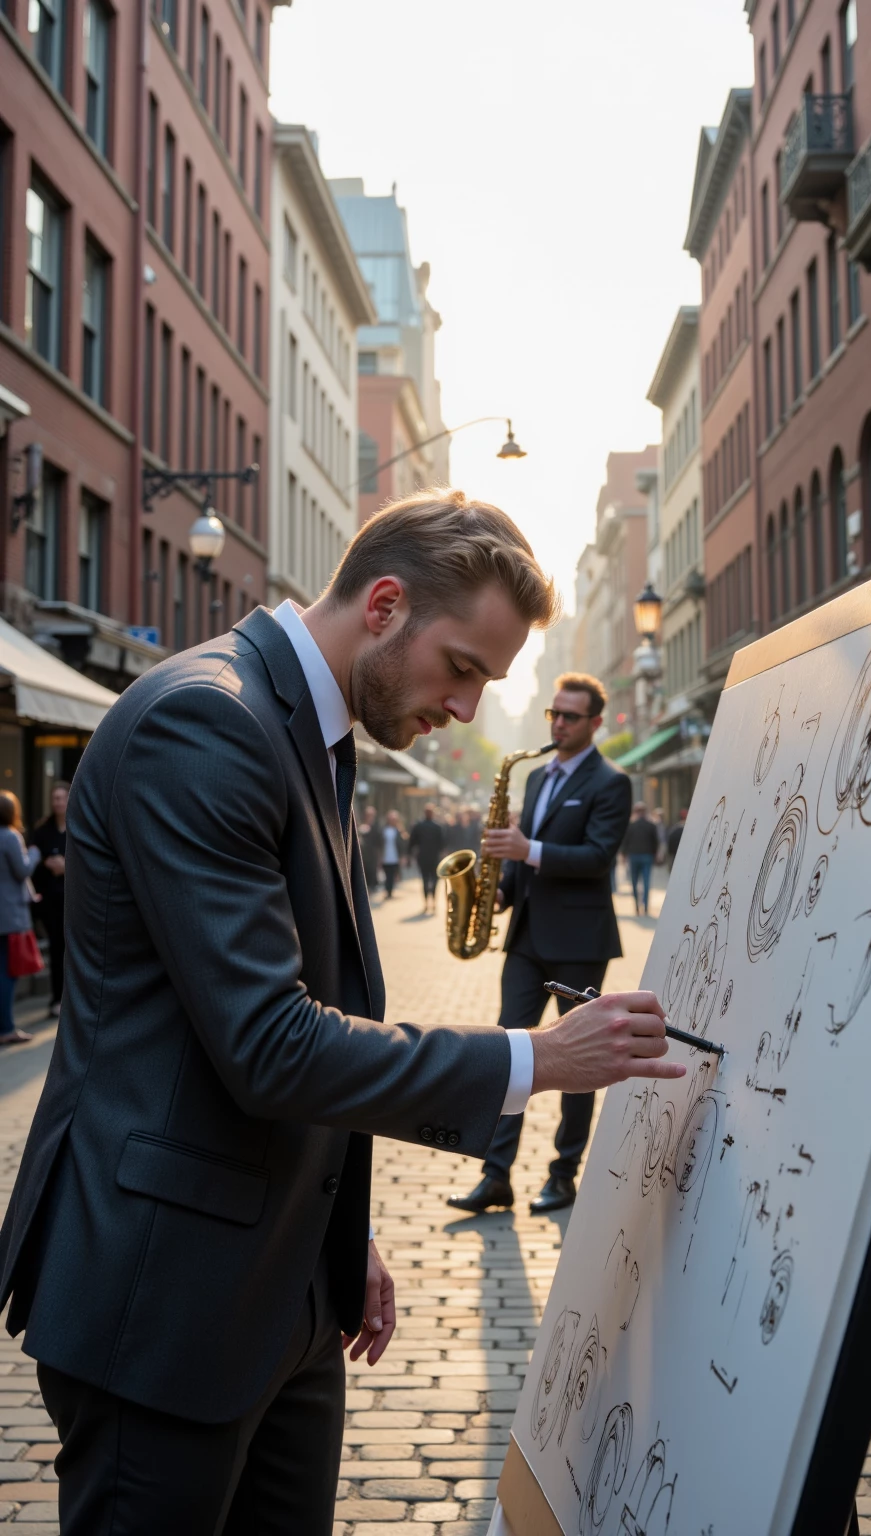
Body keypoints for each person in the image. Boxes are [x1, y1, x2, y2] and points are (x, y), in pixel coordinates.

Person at [0, 489, 683, 1535]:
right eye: (461, 668)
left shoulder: (312, 729)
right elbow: (272, 1043)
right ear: (385, 605)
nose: (467, 709)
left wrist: (337, 1228)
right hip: (164, 1298)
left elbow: (316, 1004)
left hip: (284, 1287)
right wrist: (536, 1059)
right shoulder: (207, 720)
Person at [448, 671, 632, 1217]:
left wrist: (526, 849)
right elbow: (521, 863)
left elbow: (598, 857)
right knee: (510, 1052)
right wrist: (501, 892)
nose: (558, 724)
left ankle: (563, 1174)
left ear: (595, 723)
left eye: (571, 716)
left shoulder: (611, 782)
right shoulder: (533, 778)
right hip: (526, 938)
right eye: (554, 714)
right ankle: (495, 1176)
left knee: (581, 1059)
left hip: (579, 941)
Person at [0, 793, 41, 1047]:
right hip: (9, 914)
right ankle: (6, 1028)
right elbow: (22, 870)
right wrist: (34, 854)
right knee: (8, 972)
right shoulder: (10, 836)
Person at [29, 781, 69, 1019]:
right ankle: (56, 998)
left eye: (62, 798)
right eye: (55, 798)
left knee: (71, 950)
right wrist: (47, 864)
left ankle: (71, 999)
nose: (58, 802)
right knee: (55, 948)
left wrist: (67, 866)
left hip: (73, 900)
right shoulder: (43, 830)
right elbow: (31, 866)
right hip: (51, 900)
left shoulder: (78, 826)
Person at [622, 802, 660, 916]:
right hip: (647, 856)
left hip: (634, 856)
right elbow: (656, 842)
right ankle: (646, 906)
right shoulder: (651, 825)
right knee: (646, 882)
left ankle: (637, 906)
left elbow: (625, 842)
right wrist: (655, 854)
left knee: (634, 882)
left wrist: (624, 855)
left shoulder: (630, 826)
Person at [408, 804, 446, 914]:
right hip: (434, 858)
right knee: (434, 880)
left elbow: (412, 842)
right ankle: (432, 902)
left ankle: (426, 903)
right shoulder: (437, 827)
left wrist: (410, 854)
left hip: (423, 857)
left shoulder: (418, 826)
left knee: (425, 880)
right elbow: (442, 844)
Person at [380, 809, 405, 899]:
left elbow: (402, 845)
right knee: (387, 875)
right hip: (386, 857)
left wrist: (402, 857)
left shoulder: (398, 831)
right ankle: (387, 891)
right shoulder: (384, 830)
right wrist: (380, 856)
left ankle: (390, 892)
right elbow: (380, 844)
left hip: (395, 857)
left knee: (393, 875)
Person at [358, 805, 383, 892]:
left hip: (372, 856)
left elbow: (380, 844)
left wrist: (380, 858)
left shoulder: (377, 828)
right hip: (361, 856)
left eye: (371, 815)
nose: (370, 817)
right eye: (368, 815)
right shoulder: (359, 826)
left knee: (372, 874)